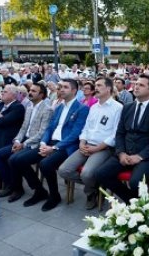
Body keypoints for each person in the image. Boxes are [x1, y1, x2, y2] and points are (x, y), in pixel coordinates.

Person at [9, 79, 89, 211]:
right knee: (19, 160)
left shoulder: (82, 108)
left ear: (74, 91)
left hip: (65, 146)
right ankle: (39, 191)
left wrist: (54, 148)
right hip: (49, 143)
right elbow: (49, 128)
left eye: (65, 87)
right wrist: (43, 143)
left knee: (45, 164)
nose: (61, 89)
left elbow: (75, 134)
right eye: (60, 87)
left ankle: (54, 196)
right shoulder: (59, 107)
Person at [95, 74, 149, 202]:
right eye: (136, 84)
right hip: (125, 152)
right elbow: (120, 133)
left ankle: (137, 205)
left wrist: (140, 156)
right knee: (101, 174)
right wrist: (121, 153)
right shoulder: (127, 107)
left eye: (141, 85)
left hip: (146, 156)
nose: (136, 87)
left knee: (135, 183)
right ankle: (131, 201)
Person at [59, 78, 123, 210]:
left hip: (103, 148)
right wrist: (82, 142)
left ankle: (90, 193)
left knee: (87, 173)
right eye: (96, 85)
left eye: (99, 85)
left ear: (109, 89)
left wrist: (97, 148)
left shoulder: (118, 108)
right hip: (87, 144)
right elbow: (86, 128)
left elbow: (115, 134)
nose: (96, 88)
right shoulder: (93, 107)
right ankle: (96, 186)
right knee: (64, 170)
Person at [0, 82, 52, 200]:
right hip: (23, 140)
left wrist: (23, 144)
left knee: (15, 159)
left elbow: (41, 133)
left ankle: (35, 190)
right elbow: (23, 128)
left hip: (35, 143)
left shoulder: (47, 109)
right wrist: (17, 141)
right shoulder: (29, 107)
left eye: (34, 91)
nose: (30, 92)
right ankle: (11, 186)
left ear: (42, 95)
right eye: (30, 90)